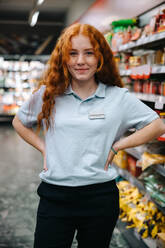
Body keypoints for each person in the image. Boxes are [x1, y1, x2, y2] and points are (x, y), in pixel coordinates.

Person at [12, 23, 165, 248]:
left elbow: (157, 125)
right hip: (55, 197)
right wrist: (45, 148)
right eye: (72, 53)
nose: (80, 61)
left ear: (100, 57)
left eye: (88, 53)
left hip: (99, 198)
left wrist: (118, 146)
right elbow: (19, 121)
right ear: (63, 58)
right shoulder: (49, 94)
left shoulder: (118, 98)